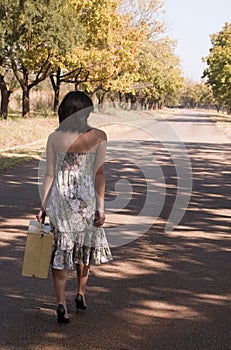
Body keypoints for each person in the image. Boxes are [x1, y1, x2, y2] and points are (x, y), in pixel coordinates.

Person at [36, 91, 113, 324]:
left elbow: (49, 174)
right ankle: (81, 292)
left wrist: (43, 206)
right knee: (84, 249)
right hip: (86, 200)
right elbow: (99, 174)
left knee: (61, 251)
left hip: (61, 202)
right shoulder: (99, 136)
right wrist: (101, 207)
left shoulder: (54, 137)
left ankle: (61, 303)